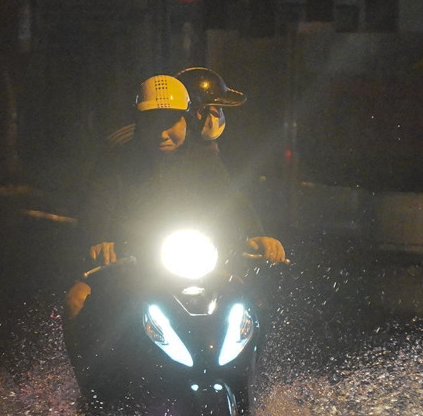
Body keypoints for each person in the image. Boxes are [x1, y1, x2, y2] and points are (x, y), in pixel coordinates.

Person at [65, 74, 284, 377]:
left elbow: (231, 198)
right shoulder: (118, 160)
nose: (162, 133)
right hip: (134, 263)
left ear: (186, 122)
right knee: (76, 301)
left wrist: (258, 234)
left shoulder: (203, 157)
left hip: (193, 261)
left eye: (172, 122)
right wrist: (101, 239)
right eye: (153, 123)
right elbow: (97, 205)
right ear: (138, 124)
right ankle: (92, 394)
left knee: (250, 300)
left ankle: (249, 379)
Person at [105, 67, 247, 149]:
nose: (216, 115)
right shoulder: (125, 145)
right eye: (212, 108)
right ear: (192, 112)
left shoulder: (202, 150)